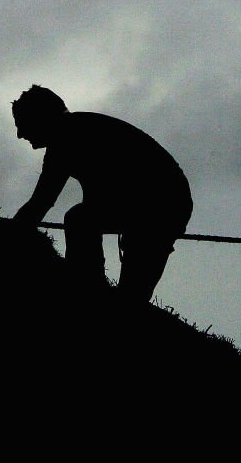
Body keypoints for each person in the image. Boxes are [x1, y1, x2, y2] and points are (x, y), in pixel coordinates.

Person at [12, 85, 193, 302]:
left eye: (24, 125)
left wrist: (7, 238)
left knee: (80, 220)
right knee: (130, 294)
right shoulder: (79, 130)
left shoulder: (67, 139)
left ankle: (88, 291)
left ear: (41, 117)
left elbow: (40, 203)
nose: (20, 134)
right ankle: (92, 291)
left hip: (163, 205)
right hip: (167, 204)